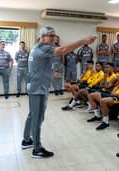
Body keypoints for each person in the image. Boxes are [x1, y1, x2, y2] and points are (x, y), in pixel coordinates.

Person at [21, 26, 96, 158]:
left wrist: (51, 73)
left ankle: (26, 140)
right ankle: (37, 148)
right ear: (42, 37)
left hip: (37, 86)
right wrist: (82, 41)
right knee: (38, 118)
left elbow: (39, 66)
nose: (54, 38)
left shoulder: (37, 47)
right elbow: (63, 50)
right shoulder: (44, 48)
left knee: (33, 115)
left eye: (54, 35)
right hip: (38, 89)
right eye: (50, 35)